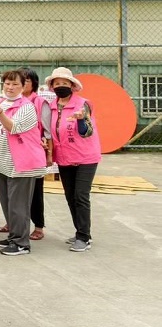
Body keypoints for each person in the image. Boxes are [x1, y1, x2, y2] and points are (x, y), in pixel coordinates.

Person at [0, 70, 46, 256]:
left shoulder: (27, 107)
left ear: (24, 87)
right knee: (7, 202)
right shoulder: (2, 102)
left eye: (15, 84)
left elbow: (15, 128)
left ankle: (21, 243)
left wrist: (0, 113)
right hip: (2, 161)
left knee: (18, 205)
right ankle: (14, 235)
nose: (10, 87)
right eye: (7, 84)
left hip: (21, 163)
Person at [46, 67, 100, 253]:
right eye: (57, 83)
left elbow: (87, 132)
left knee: (81, 196)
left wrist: (80, 120)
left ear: (72, 86)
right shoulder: (51, 107)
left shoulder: (83, 104)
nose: (61, 86)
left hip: (86, 157)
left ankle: (84, 237)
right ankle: (80, 232)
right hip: (64, 158)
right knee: (70, 196)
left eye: (65, 83)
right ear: (52, 87)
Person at [20, 67, 50, 241]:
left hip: (33, 152)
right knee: (13, 190)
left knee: (35, 191)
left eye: (27, 80)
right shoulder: (9, 101)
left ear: (34, 84)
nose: (23, 84)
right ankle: (13, 222)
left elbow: (46, 130)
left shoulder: (39, 102)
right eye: (20, 80)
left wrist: (49, 153)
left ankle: (38, 226)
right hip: (13, 152)